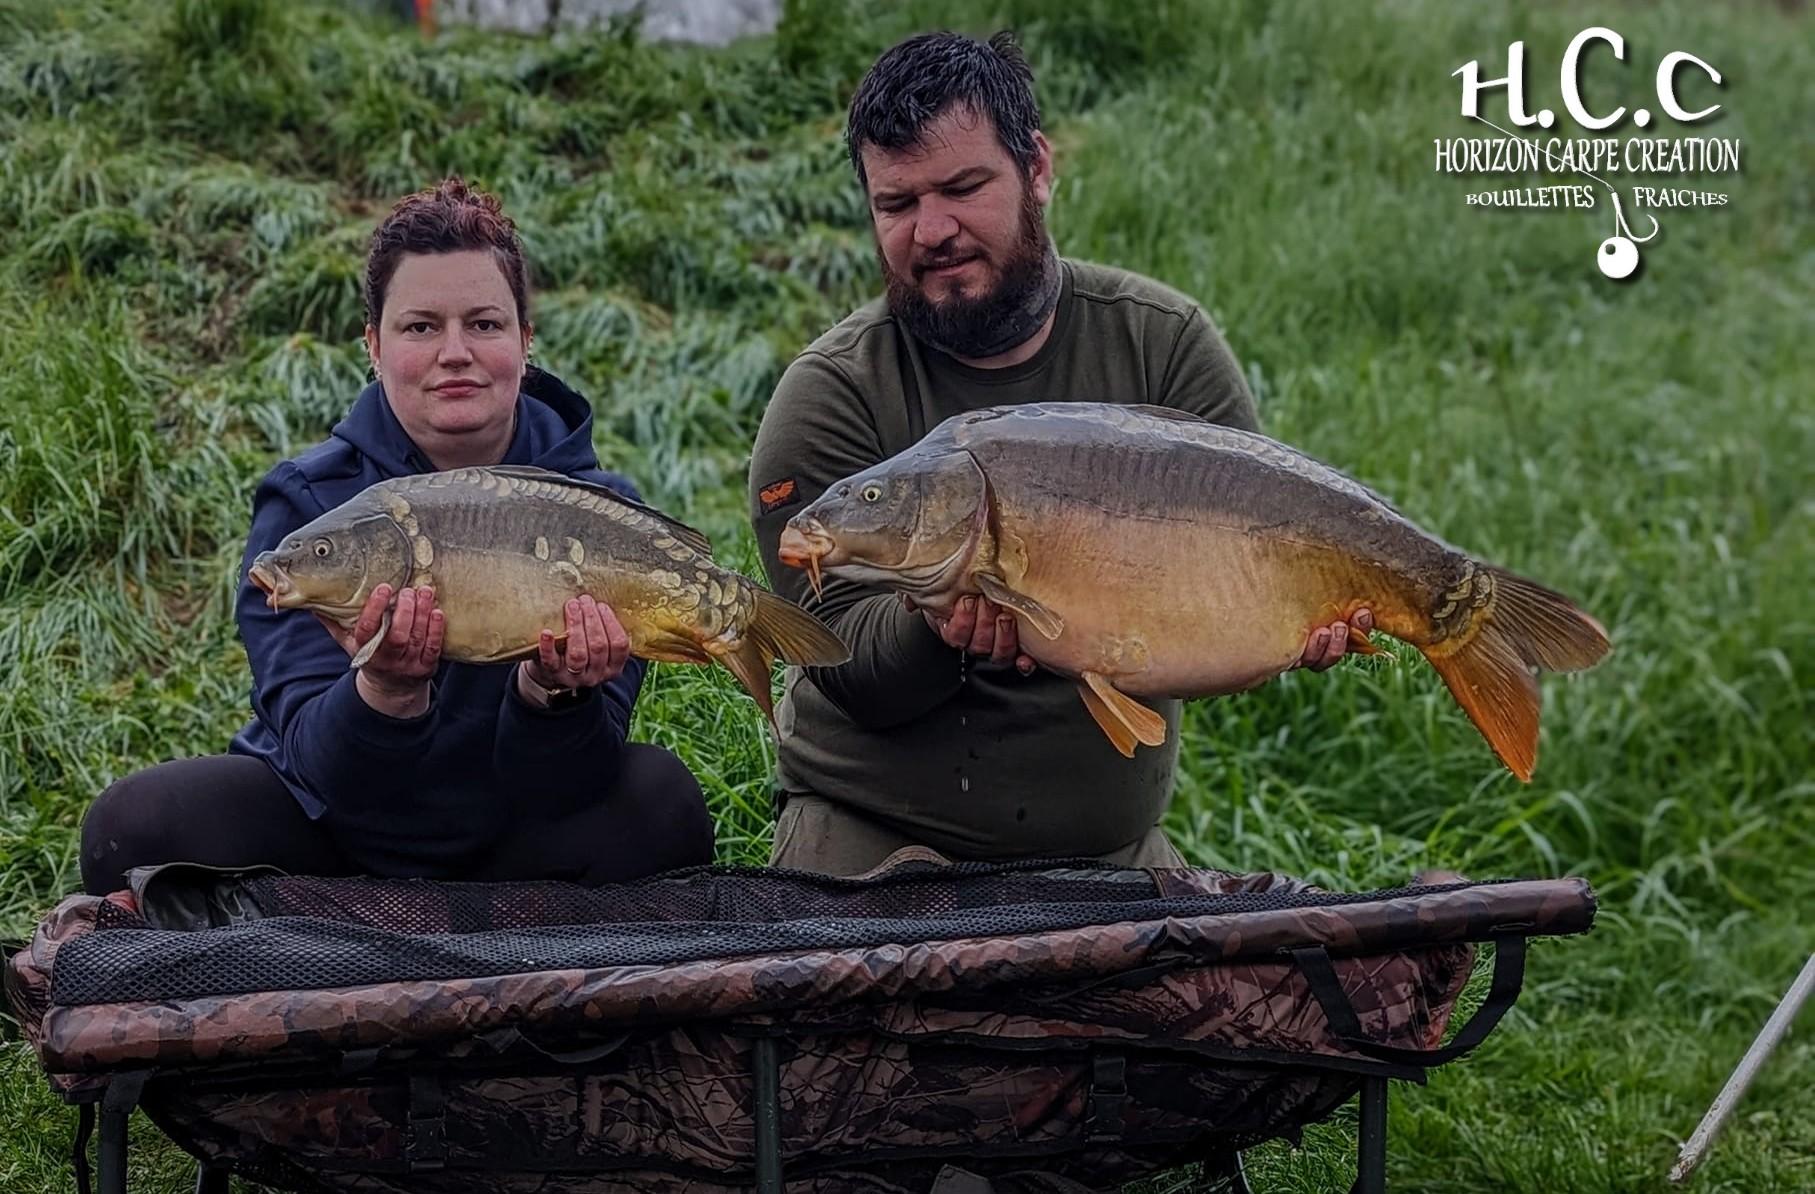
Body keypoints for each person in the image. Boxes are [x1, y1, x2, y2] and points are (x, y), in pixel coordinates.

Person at [748, 32, 1372, 876]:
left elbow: (1234, 581)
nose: (932, 230)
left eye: (964, 187)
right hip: (875, 833)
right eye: (896, 205)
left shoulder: (1164, 344)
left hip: (1107, 846)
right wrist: (936, 628)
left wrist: (1291, 619)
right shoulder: (831, 393)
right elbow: (837, 665)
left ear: (1036, 168)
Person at [78, 177, 714, 896]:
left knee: (662, 801)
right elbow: (317, 765)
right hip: (328, 835)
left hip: (515, 833)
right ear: (374, 346)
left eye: (483, 324)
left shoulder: (600, 515)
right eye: (420, 327)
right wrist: (384, 688)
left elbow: (571, 782)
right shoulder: (306, 508)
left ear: (524, 342)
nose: (454, 353)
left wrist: (550, 692)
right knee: (130, 825)